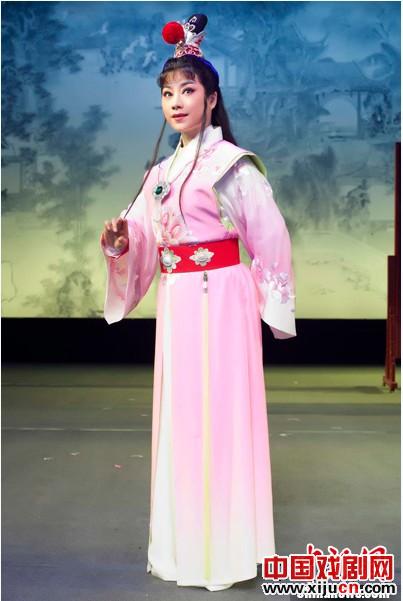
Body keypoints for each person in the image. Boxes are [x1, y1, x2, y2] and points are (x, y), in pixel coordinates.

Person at [100, 13, 297, 592]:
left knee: (222, 414)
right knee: (183, 417)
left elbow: (270, 236)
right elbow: (142, 238)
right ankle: (185, 546)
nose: (176, 102)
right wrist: (120, 242)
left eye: (187, 90)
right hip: (179, 302)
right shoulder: (159, 174)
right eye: (167, 93)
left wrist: (267, 302)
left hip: (223, 302)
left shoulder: (232, 165)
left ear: (211, 99)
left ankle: (228, 548)